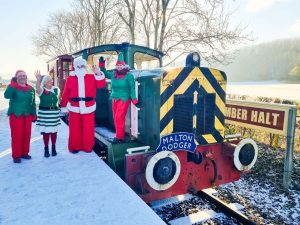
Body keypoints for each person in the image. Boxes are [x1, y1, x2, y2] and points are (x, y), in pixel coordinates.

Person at [60, 56, 106, 153]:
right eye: (78, 66)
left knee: (88, 128)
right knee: (74, 129)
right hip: (74, 107)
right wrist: (63, 106)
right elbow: (65, 93)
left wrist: (97, 72)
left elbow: (101, 85)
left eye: (82, 66)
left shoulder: (91, 76)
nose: (80, 67)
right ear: (75, 67)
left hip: (88, 107)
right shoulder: (70, 78)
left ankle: (87, 147)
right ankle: (75, 147)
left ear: (85, 67)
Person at [99, 53, 138, 142]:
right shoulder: (113, 74)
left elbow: (132, 87)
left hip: (124, 98)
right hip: (114, 98)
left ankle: (119, 137)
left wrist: (134, 99)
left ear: (124, 66)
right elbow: (104, 73)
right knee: (115, 117)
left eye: (121, 65)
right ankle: (119, 134)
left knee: (119, 117)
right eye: (118, 65)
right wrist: (101, 64)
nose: (119, 67)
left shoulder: (129, 76)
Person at [4, 70, 37, 163]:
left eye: (24, 76)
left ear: (26, 77)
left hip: (28, 115)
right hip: (16, 114)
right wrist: (12, 85)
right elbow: (6, 95)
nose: (22, 77)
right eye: (20, 76)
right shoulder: (13, 87)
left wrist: (34, 114)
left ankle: (24, 153)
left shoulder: (31, 88)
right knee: (17, 135)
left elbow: (33, 103)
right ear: (16, 77)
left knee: (27, 134)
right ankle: (16, 155)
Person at [35, 71, 61, 158]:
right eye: (49, 80)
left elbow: (58, 101)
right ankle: (46, 149)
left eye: (51, 80)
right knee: (46, 133)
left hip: (54, 115)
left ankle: (53, 148)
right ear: (45, 82)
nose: (52, 81)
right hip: (45, 116)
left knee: (54, 132)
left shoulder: (56, 89)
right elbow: (38, 88)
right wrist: (38, 80)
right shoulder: (42, 90)